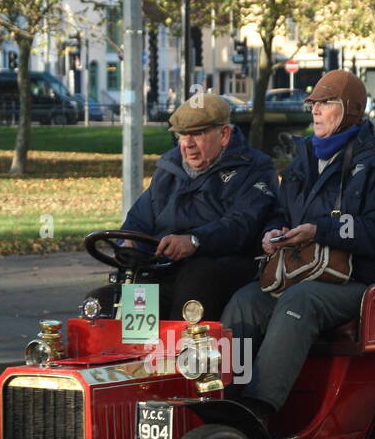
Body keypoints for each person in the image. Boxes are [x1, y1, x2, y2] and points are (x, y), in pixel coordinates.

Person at [222, 69, 375, 420]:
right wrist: (271, 234)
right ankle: (226, 397)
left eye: (326, 103)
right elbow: (280, 211)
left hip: (365, 283)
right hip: (304, 272)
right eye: (313, 102)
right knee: (244, 301)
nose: (315, 110)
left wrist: (320, 230)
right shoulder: (303, 162)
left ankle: (257, 412)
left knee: (301, 300)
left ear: (351, 110)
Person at [96, 92, 278, 320]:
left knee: (196, 278)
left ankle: (182, 351)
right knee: (104, 302)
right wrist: (129, 242)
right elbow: (140, 218)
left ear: (224, 134)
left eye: (198, 134)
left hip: (223, 269)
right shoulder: (168, 169)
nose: (188, 144)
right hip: (165, 269)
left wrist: (194, 241)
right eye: (182, 135)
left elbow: (241, 225)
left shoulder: (255, 169)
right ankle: (131, 353)